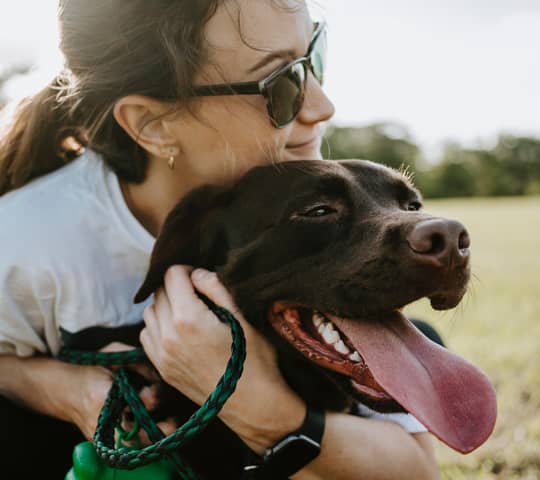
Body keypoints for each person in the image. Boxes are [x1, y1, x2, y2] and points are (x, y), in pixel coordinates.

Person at [0, 1, 441, 478]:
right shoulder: (26, 240)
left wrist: (257, 403)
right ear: (153, 124)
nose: (322, 105)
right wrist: (70, 391)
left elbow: (416, 472)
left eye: (315, 55)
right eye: (281, 84)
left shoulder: (312, 190)